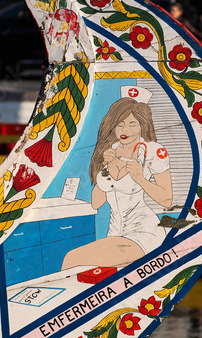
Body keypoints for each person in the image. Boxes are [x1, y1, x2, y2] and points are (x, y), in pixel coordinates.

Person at [61, 97, 173, 270]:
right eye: (120, 124)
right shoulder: (110, 151)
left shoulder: (152, 151)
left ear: (142, 126)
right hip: (115, 233)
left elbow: (166, 200)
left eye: (131, 124)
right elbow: (96, 203)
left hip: (143, 232)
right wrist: (105, 168)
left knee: (72, 258)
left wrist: (139, 178)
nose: (124, 130)